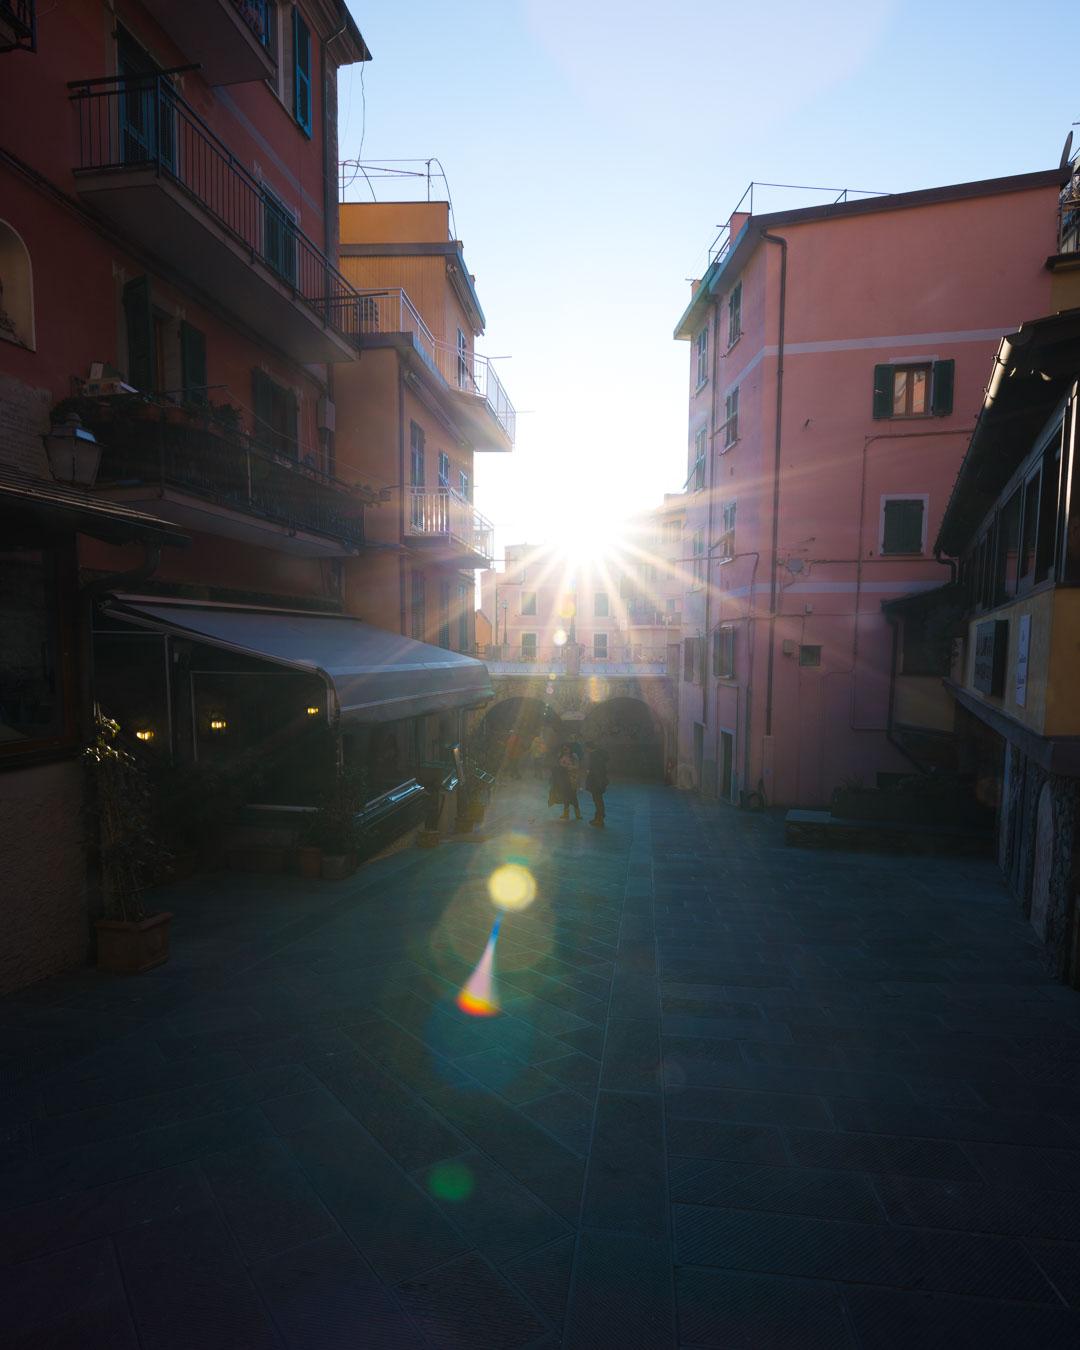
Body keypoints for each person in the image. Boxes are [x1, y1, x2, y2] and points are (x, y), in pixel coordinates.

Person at [548, 741, 581, 820]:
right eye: (564, 749)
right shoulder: (561, 756)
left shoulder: (574, 756)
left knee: (573, 796)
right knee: (565, 796)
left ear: (570, 749)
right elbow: (557, 765)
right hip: (563, 778)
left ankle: (578, 815)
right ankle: (566, 814)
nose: (565, 750)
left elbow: (577, 766)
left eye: (566, 749)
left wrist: (569, 767)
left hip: (572, 778)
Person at [585, 742, 609, 828]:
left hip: (596, 782)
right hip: (600, 781)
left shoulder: (594, 756)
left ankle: (599, 819)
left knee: (597, 801)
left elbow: (595, 771)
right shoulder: (599, 755)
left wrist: (593, 779)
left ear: (588, 748)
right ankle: (598, 818)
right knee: (599, 800)